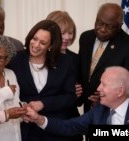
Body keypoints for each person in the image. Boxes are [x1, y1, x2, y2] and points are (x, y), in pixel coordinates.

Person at [23, 66, 129, 138]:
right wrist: (38, 119)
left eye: (103, 84)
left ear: (120, 91)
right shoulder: (99, 111)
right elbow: (69, 127)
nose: (98, 88)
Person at [7, 20, 78, 141]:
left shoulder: (65, 62)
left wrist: (43, 104)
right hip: (26, 129)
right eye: (34, 38)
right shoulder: (15, 60)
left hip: (57, 129)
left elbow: (70, 97)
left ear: (51, 46)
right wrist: (21, 106)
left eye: (43, 42)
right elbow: (9, 92)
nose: (35, 45)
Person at [76, 3, 129, 114]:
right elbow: (82, 71)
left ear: (120, 25)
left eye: (109, 26)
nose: (102, 29)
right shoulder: (86, 38)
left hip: (111, 111)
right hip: (87, 107)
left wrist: (106, 96)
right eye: (99, 23)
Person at [46, 10, 82, 141]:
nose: (67, 37)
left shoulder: (76, 59)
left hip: (70, 122)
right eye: (63, 33)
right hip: (45, 123)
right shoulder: (39, 57)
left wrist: (78, 94)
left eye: (70, 33)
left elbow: (79, 101)